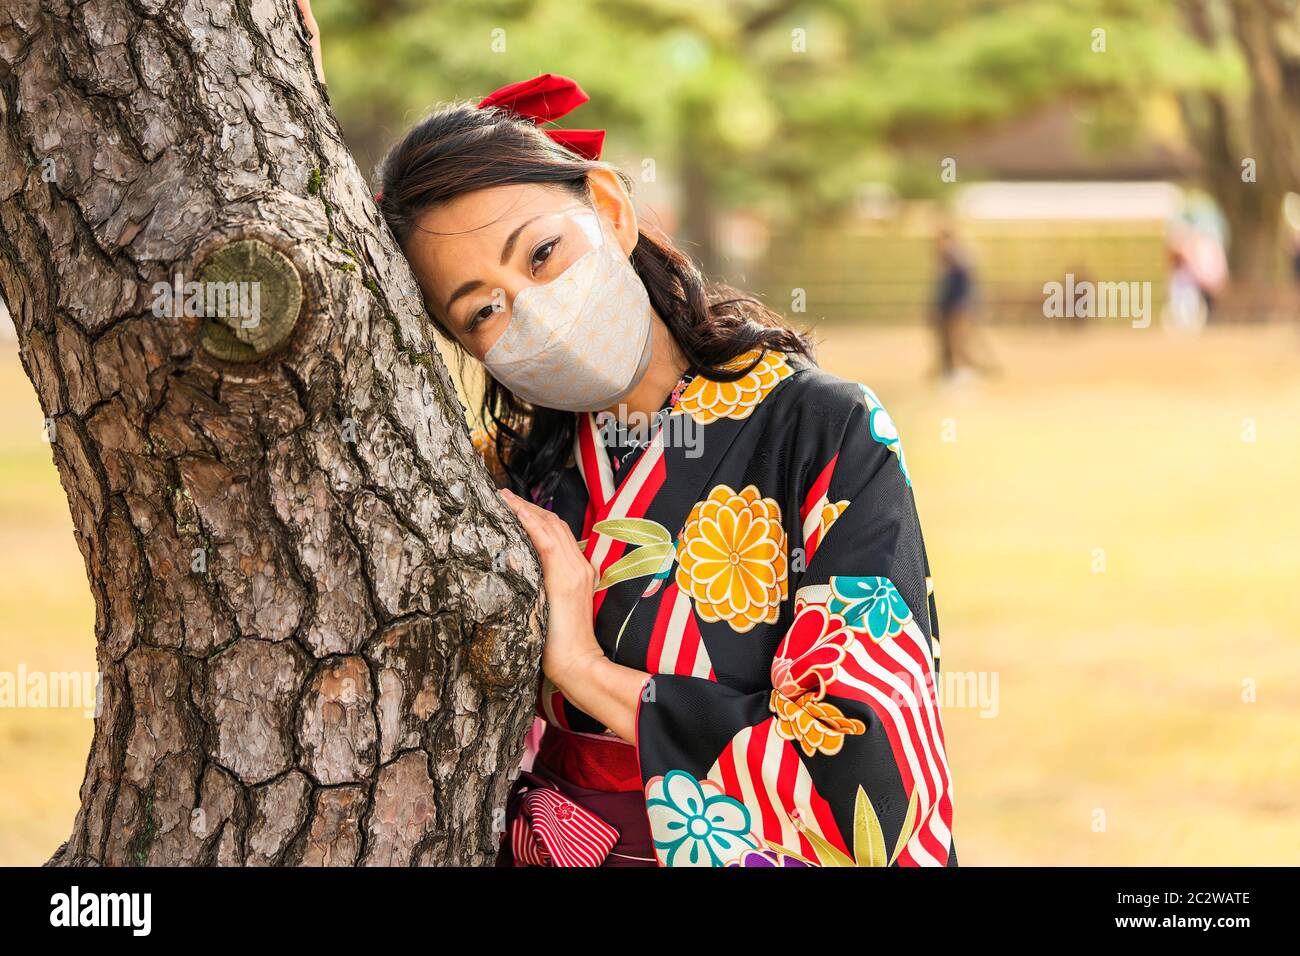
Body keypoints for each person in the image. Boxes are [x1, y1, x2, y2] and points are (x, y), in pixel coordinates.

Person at [298, 6, 956, 868]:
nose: (530, 310)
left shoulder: (823, 431)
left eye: (540, 255)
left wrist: (584, 671)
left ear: (607, 209)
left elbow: (870, 786)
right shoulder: (504, 479)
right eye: (483, 310)